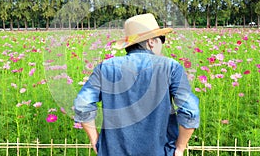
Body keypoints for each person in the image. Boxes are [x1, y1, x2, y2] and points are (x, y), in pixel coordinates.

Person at [74, 13, 200, 156]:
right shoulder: (171, 67)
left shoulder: (105, 68)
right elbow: (191, 111)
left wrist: (95, 140)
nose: (162, 45)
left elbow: (82, 104)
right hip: (161, 151)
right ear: (151, 42)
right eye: (161, 40)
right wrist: (180, 147)